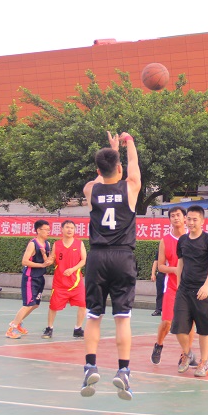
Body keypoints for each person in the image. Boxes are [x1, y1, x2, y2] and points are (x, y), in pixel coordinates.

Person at [80, 131, 141, 401]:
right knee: (122, 317)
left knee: (93, 315)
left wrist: (111, 152)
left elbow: (99, 178)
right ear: (119, 168)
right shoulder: (130, 187)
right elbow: (134, 168)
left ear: (97, 170)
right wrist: (129, 143)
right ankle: (123, 370)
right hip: (122, 257)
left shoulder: (91, 189)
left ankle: (90, 366)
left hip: (97, 257)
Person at [172, 205, 208, 378]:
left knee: (204, 329)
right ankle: (187, 354)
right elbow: (180, 263)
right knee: (178, 327)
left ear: (202, 221)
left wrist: (206, 286)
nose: (191, 222)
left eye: (195, 219)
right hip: (184, 290)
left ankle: (204, 362)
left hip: (203, 291)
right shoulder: (183, 240)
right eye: (189, 219)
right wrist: (179, 284)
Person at [151, 207, 196, 367]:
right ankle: (158, 344)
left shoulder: (193, 238)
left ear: (185, 219)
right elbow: (161, 266)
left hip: (190, 288)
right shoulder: (165, 241)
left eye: (178, 215)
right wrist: (175, 270)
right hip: (171, 287)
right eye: (172, 216)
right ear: (169, 220)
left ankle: (186, 353)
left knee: (190, 323)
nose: (175, 218)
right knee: (167, 322)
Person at [5, 220, 53, 339]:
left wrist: (45, 257)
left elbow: (47, 262)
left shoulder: (47, 244)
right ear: (38, 230)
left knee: (35, 304)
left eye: (49, 230)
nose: (48, 232)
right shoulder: (33, 244)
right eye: (46, 230)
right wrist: (41, 265)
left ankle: (17, 323)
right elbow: (25, 261)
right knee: (27, 304)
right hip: (30, 278)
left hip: (40, 277)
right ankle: (11, 329)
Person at [42, 220, 87, 339]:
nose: (69, 230)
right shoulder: (57, 244)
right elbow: (52, 259)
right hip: (60, 282)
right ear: (62, 229)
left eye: (72, 228)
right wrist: (48, 260)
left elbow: (83, 260)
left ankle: (78, 328)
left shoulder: (79, 244)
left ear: (75, 230)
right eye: (67, 227)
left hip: (76, 281)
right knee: (53, 306)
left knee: (83, 304)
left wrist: (72, 269)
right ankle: (49, 328)